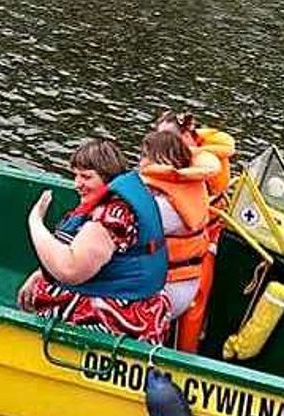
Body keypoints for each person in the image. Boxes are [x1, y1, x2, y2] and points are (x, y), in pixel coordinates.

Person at [18, 138, 170, 344]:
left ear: (107, 177)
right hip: (140, 301)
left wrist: (35, 221)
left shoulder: (112, 215)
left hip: (117, 317)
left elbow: (70, 269)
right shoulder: (128, 195)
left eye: (87, 177)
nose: (77, 184)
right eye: (76, 175)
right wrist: (41, 274)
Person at [153, 110, 237, 350]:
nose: (163, 145)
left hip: (204, 242)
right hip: (194, 237)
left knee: (193, 306)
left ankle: (183, 355)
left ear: (187, 136)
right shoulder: (198, 156)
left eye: (169, 139)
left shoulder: (205, 166)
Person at [139, 130, 211, 323]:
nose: (141, 162)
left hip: (164, 294)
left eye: (145, 156)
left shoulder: (165, 207)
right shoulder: (192, 190)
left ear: (162, 160)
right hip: (184, 285)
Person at [153, 110, 236, 204]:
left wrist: (193, 152)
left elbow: (229, 149)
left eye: (170, 139)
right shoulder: (166, 153)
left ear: (186, 134)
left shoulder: (210, 139)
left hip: (215, 201)